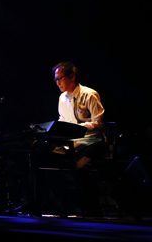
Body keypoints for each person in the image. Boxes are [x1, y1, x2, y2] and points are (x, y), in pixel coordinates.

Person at [52, 61, 106, 216]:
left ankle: (93, 210)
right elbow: (63, 119)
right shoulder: (62, 98)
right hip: (72, 144)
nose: (57, 83)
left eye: (60, 78)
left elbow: (99, 122)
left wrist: (77, 128)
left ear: (72, 77)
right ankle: (59, 207)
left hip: (92, 142)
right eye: (56, 79)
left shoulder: (89, 94)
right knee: (47, 159)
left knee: (82, 168)